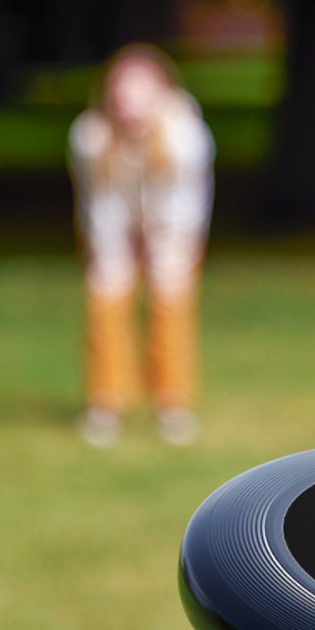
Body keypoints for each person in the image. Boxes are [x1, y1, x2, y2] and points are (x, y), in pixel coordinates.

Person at [68, 44, 215, 447]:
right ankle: (105, 403)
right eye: (121, 93)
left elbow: (186, 203)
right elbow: (99, 203)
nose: (129, 104)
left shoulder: (186, 136)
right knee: (105, 299)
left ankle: (172, 405)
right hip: (112, 227)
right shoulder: (90, 136)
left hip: (173, 228)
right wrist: (115, 251)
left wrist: (161, 245)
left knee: (170, 304)